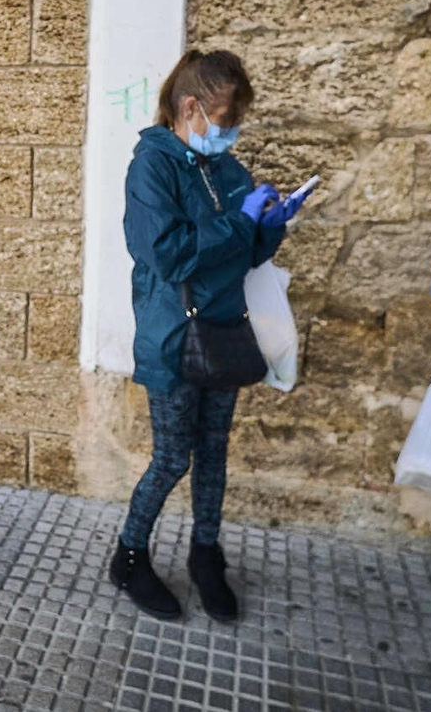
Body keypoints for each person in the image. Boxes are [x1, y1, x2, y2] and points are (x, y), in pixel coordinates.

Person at [109, 50, 304, 622]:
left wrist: (270, 227)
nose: (230, 132)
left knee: (214, 452)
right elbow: (168, 256)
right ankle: (128, 556)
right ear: (190, 107)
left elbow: (242, 255)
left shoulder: (229, 170)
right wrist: (242, 222)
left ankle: (205, 555)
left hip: (225, 331)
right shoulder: (152, 166)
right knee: (172, 457)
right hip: (172, 338)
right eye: (224, 119)